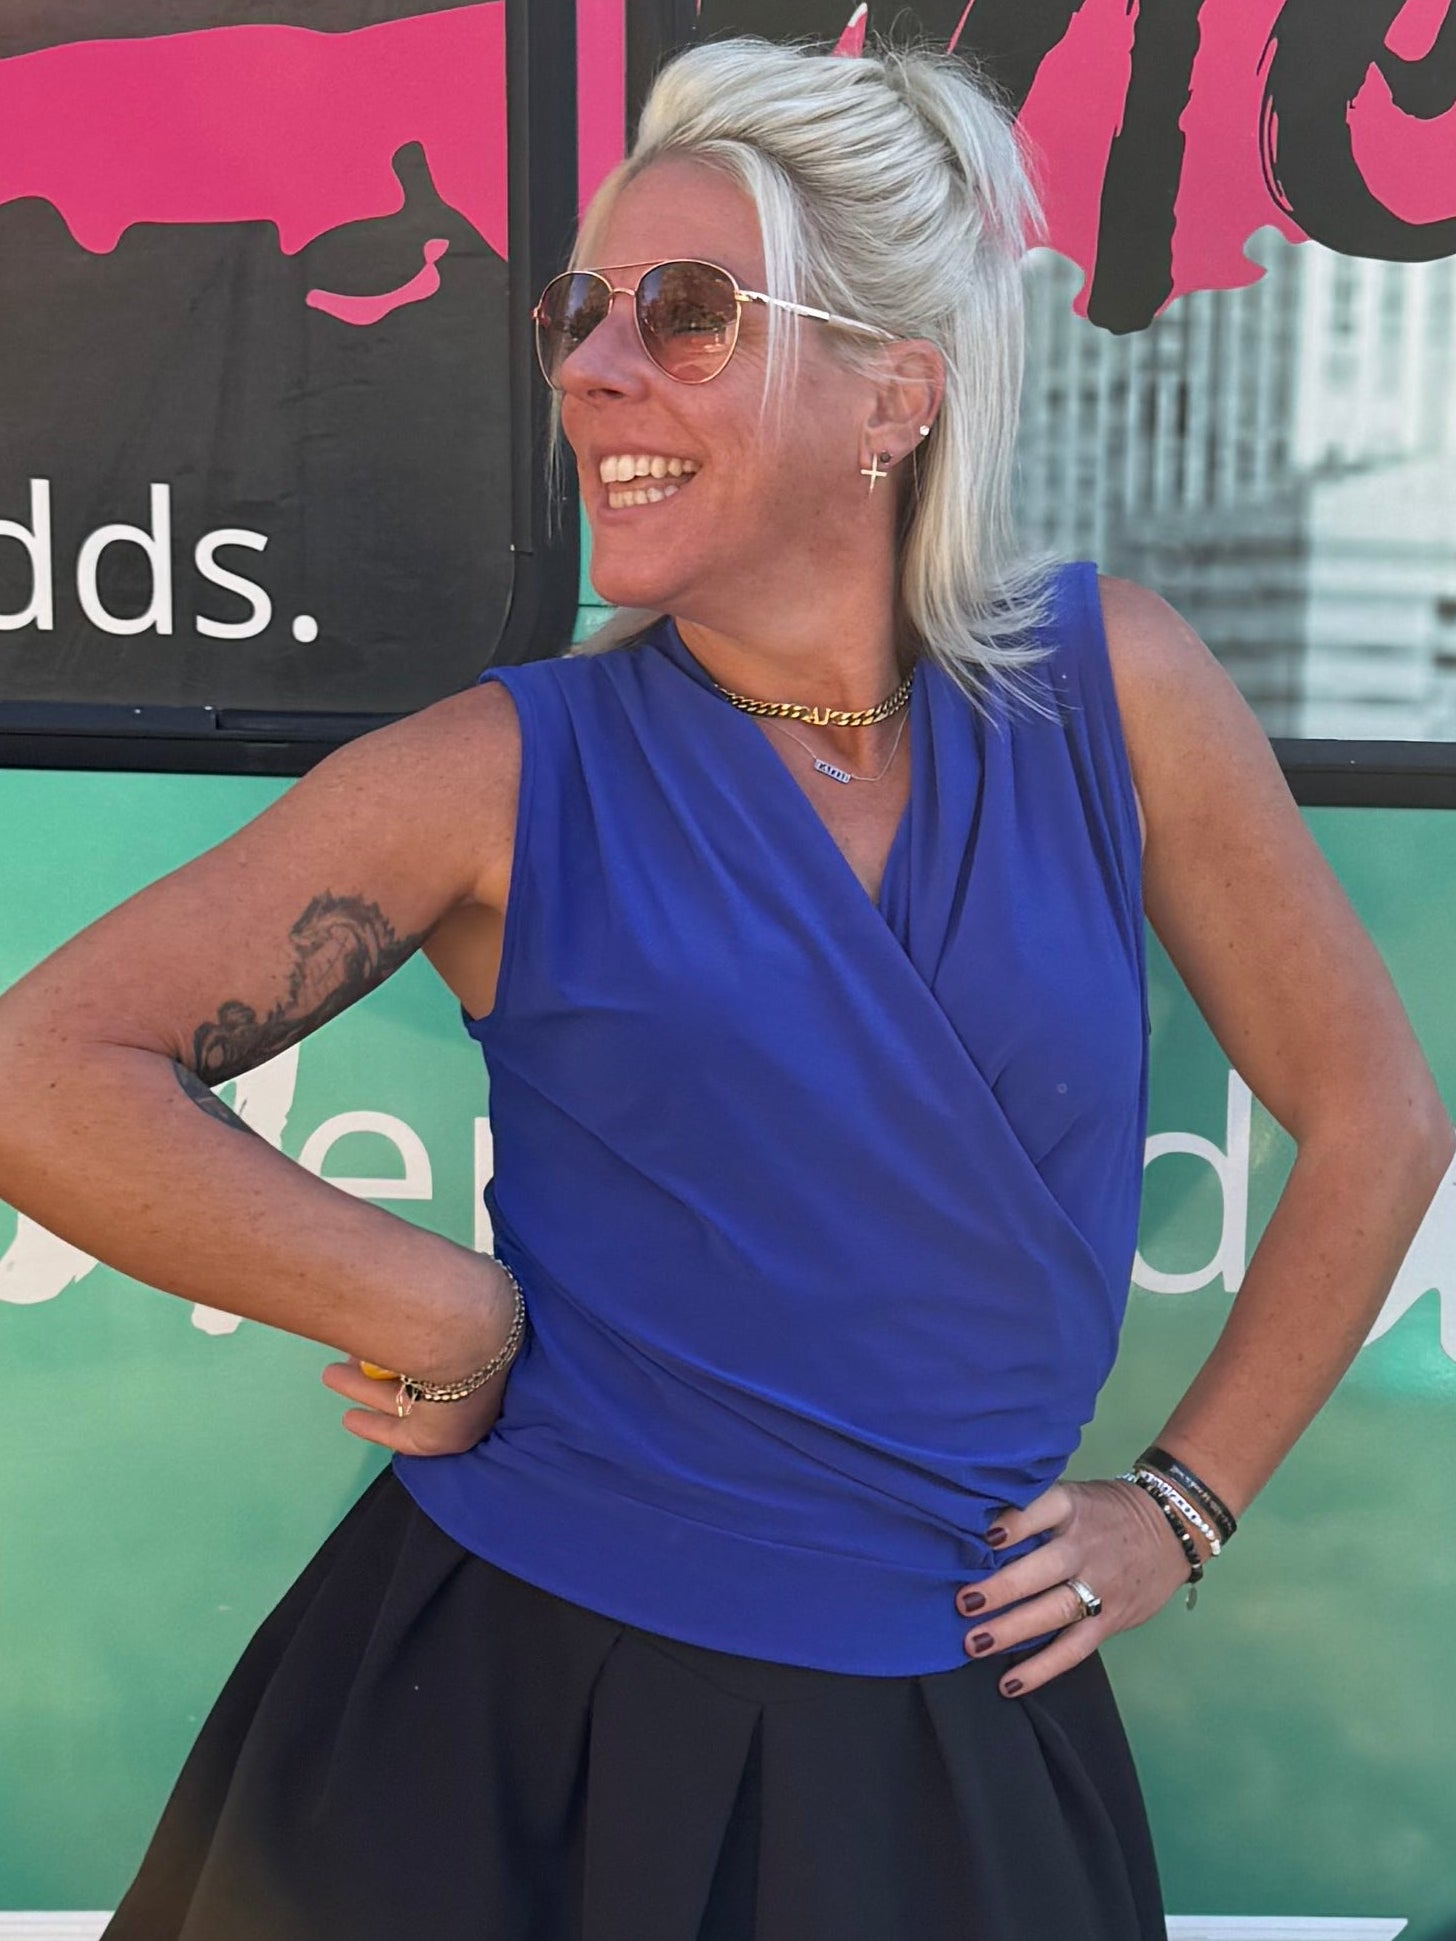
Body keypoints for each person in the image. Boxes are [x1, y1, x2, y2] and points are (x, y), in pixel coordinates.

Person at [0, 33, 1449, 1941]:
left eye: (686, 314)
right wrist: (437, 1298)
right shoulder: (506, 769)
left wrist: (1184, 1502)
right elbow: (45, 1066)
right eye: (579, 313)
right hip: (506, 1727)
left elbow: (1378, 1119)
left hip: (946, 1754)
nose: (596, 369)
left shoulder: (1121, 694)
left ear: (894, 395)